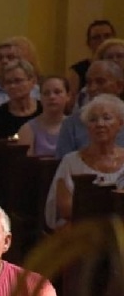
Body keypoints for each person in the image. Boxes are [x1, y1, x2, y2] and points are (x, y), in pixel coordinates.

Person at [47, 93, 124, 228]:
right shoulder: (71, 162)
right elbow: (65, 208)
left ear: (120, 124)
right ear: (87, 126)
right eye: (93, 120)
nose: (100, 124)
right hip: (83, 229)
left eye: (107, 118)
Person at [54, 60, 123, 158]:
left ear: (119, 86)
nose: (92, 88)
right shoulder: (71, 124)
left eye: (100, 82)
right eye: (89, 83)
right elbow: (62, 163)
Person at [15, 76, 71, 158]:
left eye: (57, 92)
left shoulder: (76, 127)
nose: (52, 97)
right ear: (40, 97)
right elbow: (24, 164)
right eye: (46, 93)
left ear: (68, 96)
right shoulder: (27, 129)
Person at [0, 59, 40, 139]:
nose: (12, 86)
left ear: (32, 81)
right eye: (8, 82)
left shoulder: (45, 110)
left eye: (18, 81)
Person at [67, 20, 115, 97]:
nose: (103, 41)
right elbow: (70, 101)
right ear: (89, 43)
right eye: (96, 38)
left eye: (107, 36)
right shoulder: (77, 71)